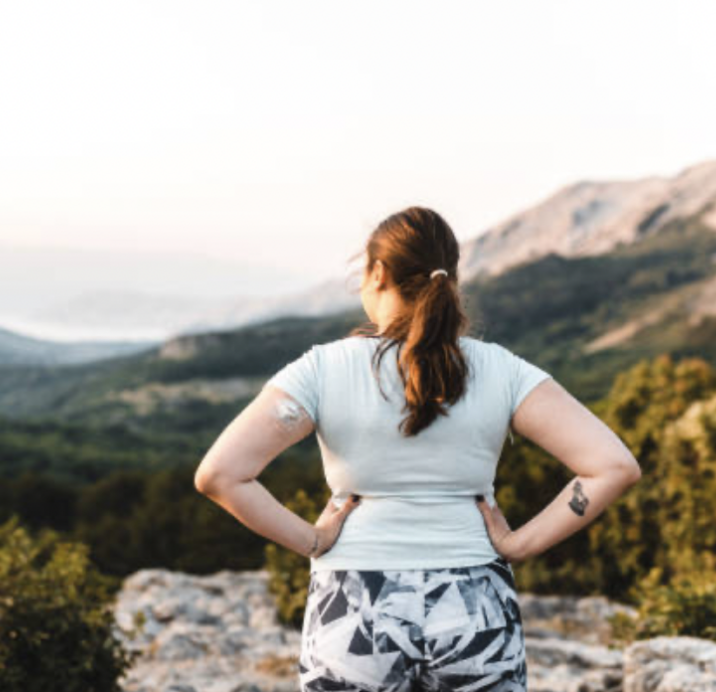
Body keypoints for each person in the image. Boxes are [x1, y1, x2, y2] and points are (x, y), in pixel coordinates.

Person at [194, 206, 642, 691]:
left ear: (378, 273)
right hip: (474, 603)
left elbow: (220, 475)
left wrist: (313, 539)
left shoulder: (322, 369)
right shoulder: (502, 369)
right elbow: (612, 466)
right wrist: (520, 544)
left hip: (355, 604)